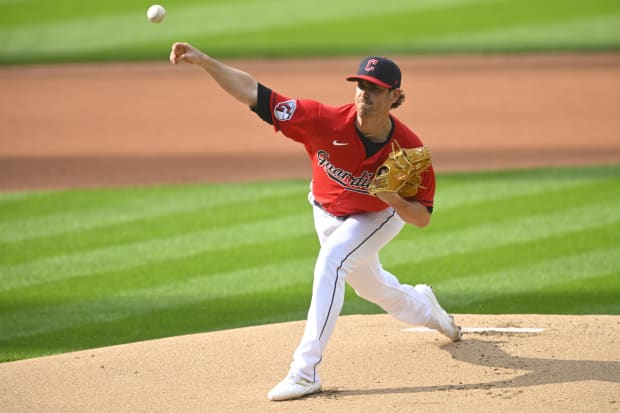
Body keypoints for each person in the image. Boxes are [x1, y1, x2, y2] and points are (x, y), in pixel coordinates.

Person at [169, 42, 462, 401]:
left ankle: (304, 371)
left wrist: (392, 198)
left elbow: (420, 218)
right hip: (325, 212)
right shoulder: (323, 121)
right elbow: (253, 93)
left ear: (395, 96)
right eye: (361, 86)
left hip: (378, 216)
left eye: (375, 89)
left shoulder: (407, 150)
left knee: (332, 262)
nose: (365, 94)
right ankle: (428, 310)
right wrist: (202, 61)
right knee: (373, 288)